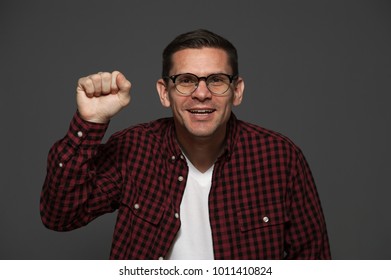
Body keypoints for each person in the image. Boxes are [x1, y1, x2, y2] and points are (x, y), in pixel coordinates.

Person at [40, 29, 331, 260]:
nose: (201, 94)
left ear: (237, 91)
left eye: (216, 80)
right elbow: (61, 216)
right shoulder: (135, 148)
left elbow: (312, 261)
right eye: (186, 80)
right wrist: (90, 123)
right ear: (164, 92)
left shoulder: (279, 158)